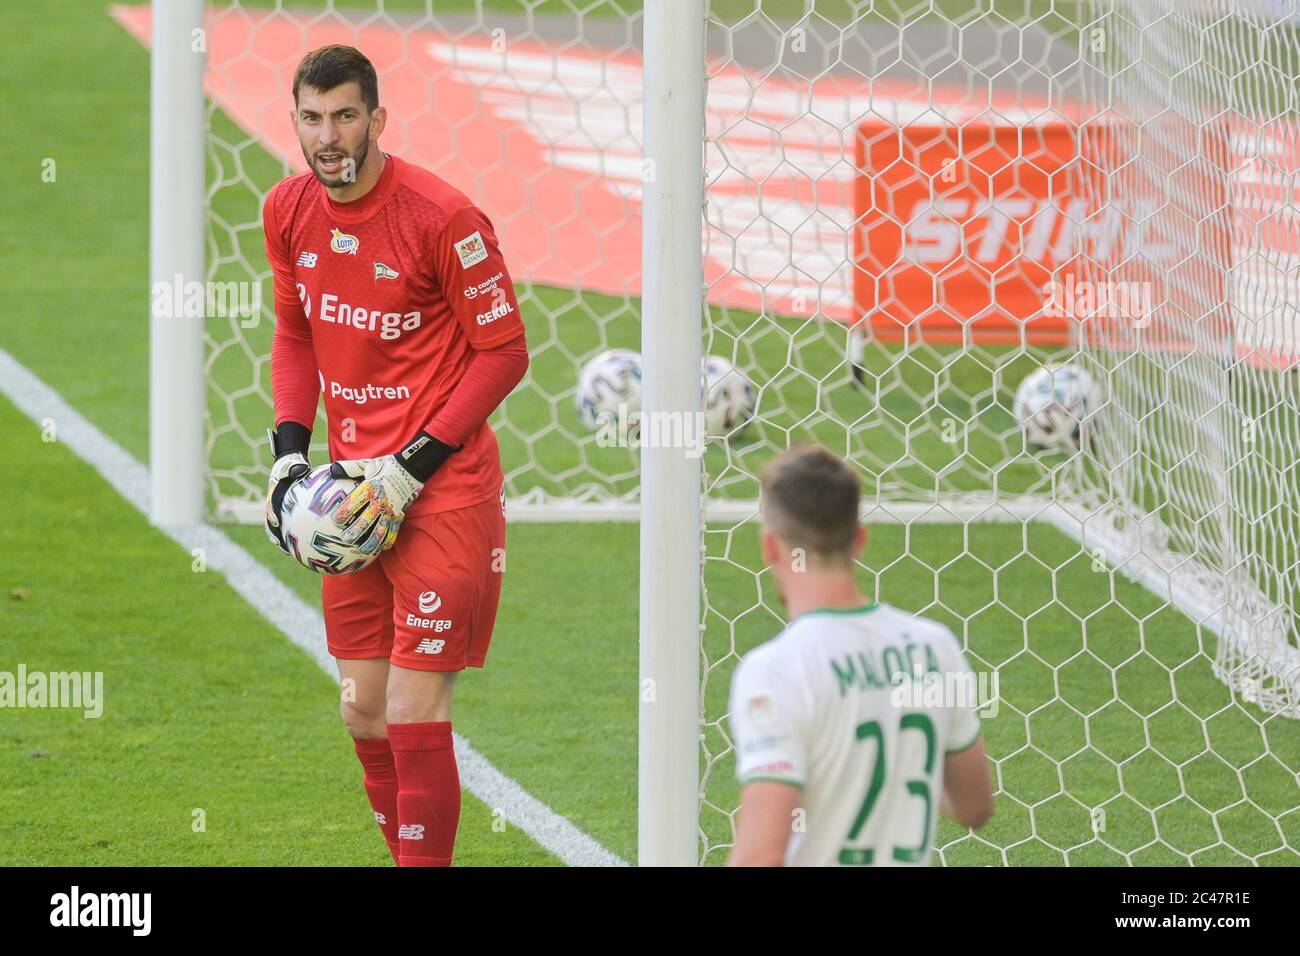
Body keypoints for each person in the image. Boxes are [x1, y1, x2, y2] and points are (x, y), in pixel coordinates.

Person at [261, 44, 529, 866]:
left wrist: (411, 466)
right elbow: (295, 332)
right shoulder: (287, 209)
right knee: (364, 710)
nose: (328, 136)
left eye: (345, 116)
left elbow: (504, 352)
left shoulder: (441, 217)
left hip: (443, 494)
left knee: (415, 711)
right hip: (350, 500)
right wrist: (287, 455)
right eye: (312, 118)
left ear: (377, 119)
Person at [728, 445, 994, 866]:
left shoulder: (776, 671)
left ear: (770, 547)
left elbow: (760, 857)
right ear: (860, 540)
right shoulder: (935, 646)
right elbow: (975, 807)